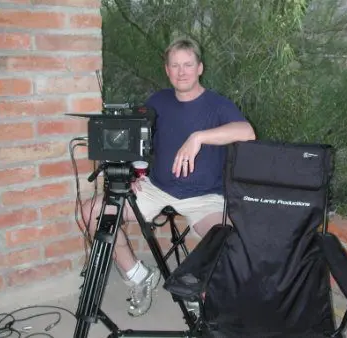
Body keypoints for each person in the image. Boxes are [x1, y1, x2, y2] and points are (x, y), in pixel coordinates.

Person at [83, 37, 255, 317]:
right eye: (175, 65)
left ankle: (199, 289)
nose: (182, 71)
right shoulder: (157, 101)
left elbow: (247, 132)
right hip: (156, 188)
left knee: (228, 242)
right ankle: (139, 277)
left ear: (200, 68)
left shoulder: (217, 104)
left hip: (205, 197)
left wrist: (198, 137)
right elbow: (141, 141)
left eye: (188, 64)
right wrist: (136, 172)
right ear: (167, 70)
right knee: (93, 213)